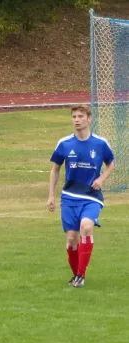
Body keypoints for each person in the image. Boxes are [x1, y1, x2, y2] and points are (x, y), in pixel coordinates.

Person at [47, 104, 115, 288]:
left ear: (89, 119)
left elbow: (110, 164)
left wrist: (101, 179)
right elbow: (55, 169)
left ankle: (81, 275)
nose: (76, 120)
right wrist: (51, 196)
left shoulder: (100, 143)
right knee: (71, 238)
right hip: (69, 196)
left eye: (80, 116)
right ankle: (76, 274)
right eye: (74, 117)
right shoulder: (65, 143)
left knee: (86, 227)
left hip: (91, 196)